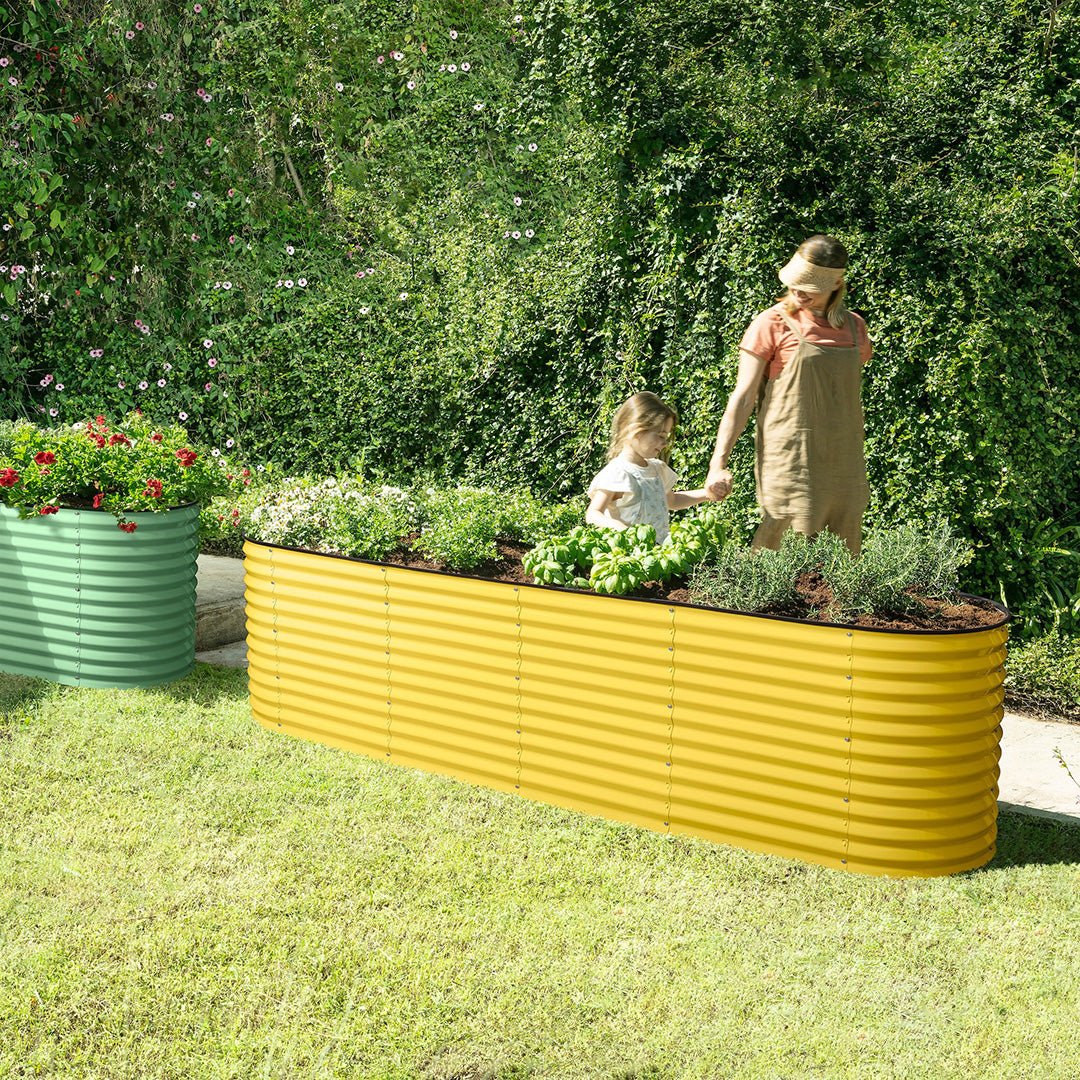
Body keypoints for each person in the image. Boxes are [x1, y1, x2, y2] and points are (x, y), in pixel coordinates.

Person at [705, 234, 873, 553]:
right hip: (792, 456)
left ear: (837, 282)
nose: (797, 291)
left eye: (809, 285)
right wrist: (718, 462)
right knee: (786, 546)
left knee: (844, 551)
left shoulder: (854, 328)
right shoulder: (772, 323)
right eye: (795, 281)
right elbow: (742, 397)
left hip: (844, 459)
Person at [587, 391, 713, 543]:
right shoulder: (618, 472)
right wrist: (618, 527)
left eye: (666, 437)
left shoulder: (657, 469)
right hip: (627, 555)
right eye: (660, 436)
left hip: (658, 554)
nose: (665, 443)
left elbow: (672, 501)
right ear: (634, 430)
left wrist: (707, 493)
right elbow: (593, 513)